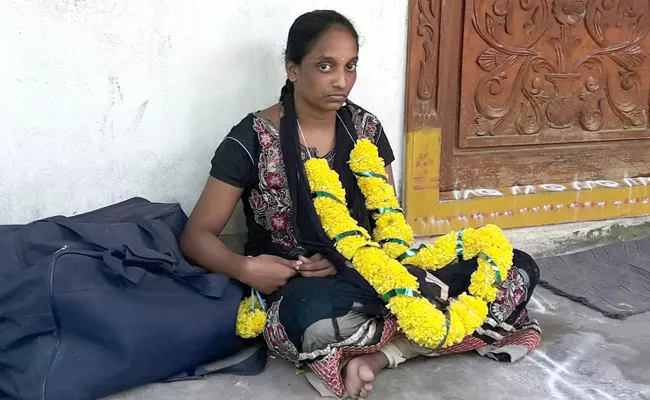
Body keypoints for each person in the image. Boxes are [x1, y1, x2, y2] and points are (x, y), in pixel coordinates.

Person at [181, 10, 541, 399]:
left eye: (350, 66)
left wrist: (345, 260)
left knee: (514, 267)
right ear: (292, 69)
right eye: (325, 66)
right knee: (306, 322)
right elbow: (196, 236)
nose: (341, 81)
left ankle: (381, 354)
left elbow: (389, 227)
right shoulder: (251, 139)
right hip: (307, 290)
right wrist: (245, 268)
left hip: (373, 272)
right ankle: (433, 327)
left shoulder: (366, 131)